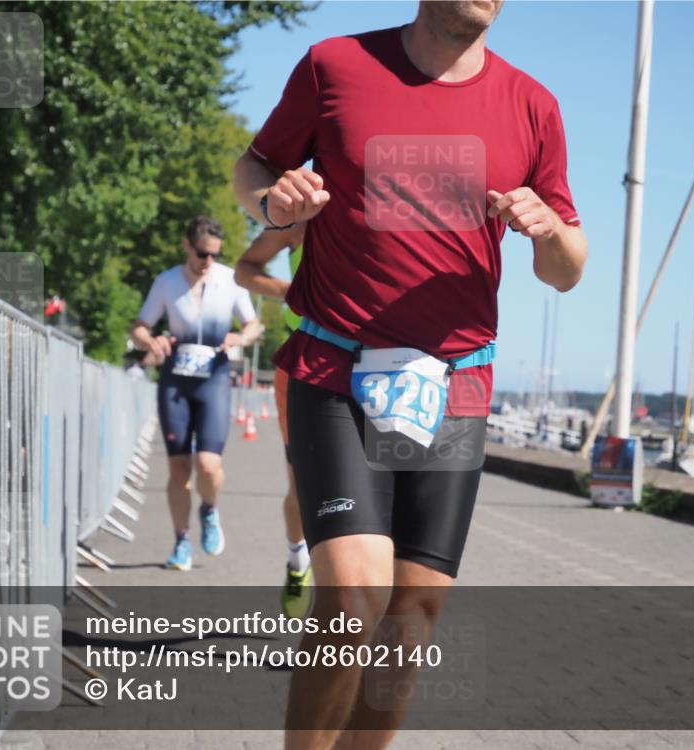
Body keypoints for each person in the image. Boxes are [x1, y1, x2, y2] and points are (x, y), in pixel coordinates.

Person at [233, 2, 587, 747]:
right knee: (355, 594)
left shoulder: (534, 105)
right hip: (336, 364)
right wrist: (271, 197)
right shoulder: (337, 66)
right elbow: (254, 166)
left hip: (455, 383)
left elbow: (566, 271)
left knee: (411, 621)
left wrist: (548, 231)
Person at [130, 216, 261, 571]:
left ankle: (209, 508)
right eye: (203, 254)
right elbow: (140, 327)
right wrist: (151, 339)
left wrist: (241, 337)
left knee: (208, 463)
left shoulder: (230, 280)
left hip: (213, 380)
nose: (208, 262)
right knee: (177, 469)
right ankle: (181, 541)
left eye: (215, 255)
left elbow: (253, 324)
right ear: (188, 246)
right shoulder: (167, 282)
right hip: (176, 381)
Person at [234, 224, 313, 617]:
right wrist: (287, 290)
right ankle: (298, 561)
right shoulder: (304, 214)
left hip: (375, 369)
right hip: (303, 363)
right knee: (301, 485)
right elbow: (244, 269)